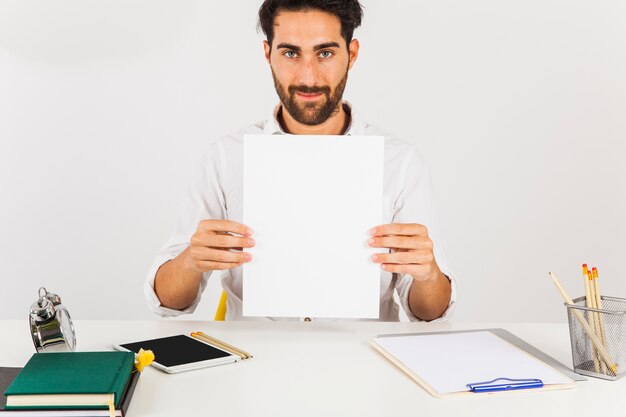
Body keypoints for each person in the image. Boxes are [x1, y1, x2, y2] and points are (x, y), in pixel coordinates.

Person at [144, 0, 457, 321]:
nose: (309, 77)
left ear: (352, 54)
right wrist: (192, 261)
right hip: (253, 360)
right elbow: (168, 303)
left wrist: (428, 274)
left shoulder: (400, 162)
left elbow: (429, 313)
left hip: (362, 361)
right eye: (291, 53)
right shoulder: (225, 157)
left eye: (325, 53)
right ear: (268, 54)